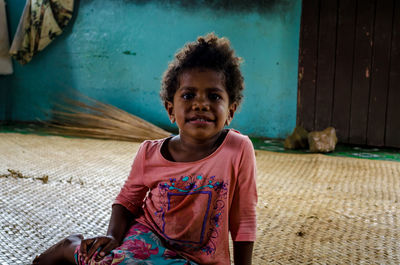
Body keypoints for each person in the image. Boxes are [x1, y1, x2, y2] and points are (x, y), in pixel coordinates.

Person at [32, 32, 257, 265]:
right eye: (189, 95)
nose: (200, 104)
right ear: (171, 110)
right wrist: (113, 236)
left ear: (231, 110)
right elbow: (127, 201)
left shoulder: (238, 149)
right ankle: (71, 246)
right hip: (147, 241)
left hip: (199, 260)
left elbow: (245, 218)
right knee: (108, 261)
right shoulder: (150, 153)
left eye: (214, 96)